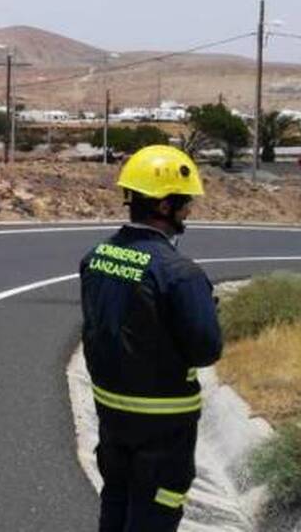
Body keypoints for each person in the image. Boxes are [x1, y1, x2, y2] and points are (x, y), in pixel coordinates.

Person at [80, 145, 222, 532]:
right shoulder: (180, 273)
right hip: (164, 420)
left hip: (111, 412)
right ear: (163, 205)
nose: (189, 210)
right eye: (185, 202)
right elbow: (206, 349)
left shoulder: (96, 257)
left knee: (117, 497)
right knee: (157, 509)